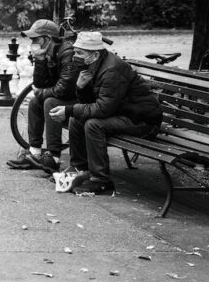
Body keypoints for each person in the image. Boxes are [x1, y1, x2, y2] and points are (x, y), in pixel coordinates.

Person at [48, 31, 164, 195]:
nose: (75, 56)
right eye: (75, 51)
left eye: (80, 53)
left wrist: (68, 110)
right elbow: (90, 104)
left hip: (143, 121)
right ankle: (79, 168)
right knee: (77, 119)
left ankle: (101, 180)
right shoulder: (95, 64)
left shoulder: (111, 70)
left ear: (95, 54)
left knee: (93, 125)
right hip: (123, 113)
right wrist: (81, 87)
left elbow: (103, 109)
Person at [6, 19, 79, 173]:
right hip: (66, 95)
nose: (32, 43)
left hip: (80, 98)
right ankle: (34, 152)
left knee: (50, 102)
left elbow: (65, 88)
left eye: (36, 39)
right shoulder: (48, 51)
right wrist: (39, 59)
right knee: (35, 102)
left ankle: (54, 157)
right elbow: (40, 83)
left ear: (47, 39)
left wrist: (41, 93)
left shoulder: (67, 52)